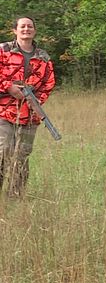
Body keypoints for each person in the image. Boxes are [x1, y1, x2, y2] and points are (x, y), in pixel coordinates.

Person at [0, 16, 55, 198]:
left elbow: (49, 83)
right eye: (22, 26)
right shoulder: (3, 50)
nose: (26, 29)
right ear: (15, 30)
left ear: (34, 31)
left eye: (30, 26)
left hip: (30, 115)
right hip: (3, 112)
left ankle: (15, 197)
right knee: (5, 151)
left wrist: (36, 100)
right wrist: (8, 87)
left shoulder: (43, 57)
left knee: (22, 156)